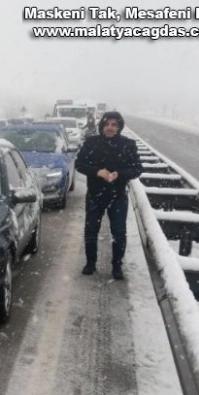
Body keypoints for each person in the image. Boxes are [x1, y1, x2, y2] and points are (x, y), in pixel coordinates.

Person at [75, 111, 142, 280]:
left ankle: (117, 267)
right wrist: (97, 172)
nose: (110, 128)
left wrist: (119, 174)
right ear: (102, 126)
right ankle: (90, 263)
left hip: (117, 195)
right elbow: (79, 164)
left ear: (119, 127)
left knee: (119, 232)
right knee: (91, 230)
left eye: (114, 125)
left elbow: (137, 169)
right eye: (107, 124)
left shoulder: (128, 145)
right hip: (95, 195)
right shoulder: (91, 143)